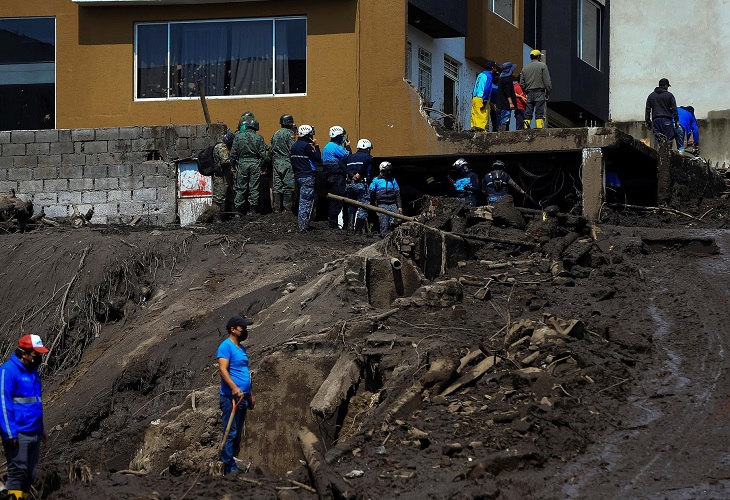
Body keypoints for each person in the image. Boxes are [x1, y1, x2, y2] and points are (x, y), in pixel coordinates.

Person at [0, 334, 49, 499]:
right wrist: (9, 432)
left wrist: (40, 429)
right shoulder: (8, 370)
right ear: (24, 353)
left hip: (34, 431)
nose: (39, 358)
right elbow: (3, 403)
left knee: (30, 474)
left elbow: (36, 403)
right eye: (36, 355)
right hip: (18, 432)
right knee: (18, 472)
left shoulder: (33, 373)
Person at [217, 315, 255, 476]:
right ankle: (228, 469)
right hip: (230, 398)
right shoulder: (225, 346)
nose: (245, 331)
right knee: (230, 432)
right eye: (243, 328)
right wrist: (233, 387)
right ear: (233, 329)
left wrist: (250, 394)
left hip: (243, 398)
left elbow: (244, 373)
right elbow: (222, 370)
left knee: (237, 434)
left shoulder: (241, 348)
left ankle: (231, 462)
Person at [231, 118, 270, 215]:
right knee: (254, 188)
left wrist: (233, 165)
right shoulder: (259, 138)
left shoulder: (238, 137)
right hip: (254, 164)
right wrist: (262, 166)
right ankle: (252, 210)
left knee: (240, 187)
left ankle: (238, 211)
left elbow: (233, 154)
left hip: (242, 164)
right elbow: (264, 156)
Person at [291, 124, 322, 232]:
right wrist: (316, 146)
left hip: (298, 176)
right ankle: (303, 227)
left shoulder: (294, 146)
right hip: (307, 176)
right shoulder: (306, 146)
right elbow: (318, 158)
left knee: (314, 198)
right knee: (305, 202)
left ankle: (306, 223)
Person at [322, 126, 351, 229]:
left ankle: (334, 223)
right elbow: (348, 157)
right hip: (337, 177)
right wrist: (347, 146)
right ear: (338, 136)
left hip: (330, 177)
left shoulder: (326, 147)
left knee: (335, 201)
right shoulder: (335, 147)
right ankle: (333, 225)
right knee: (337, 201)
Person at [345, 139, 374, 234]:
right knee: (363, 206)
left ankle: (350, 227)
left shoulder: (350, 157)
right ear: (367, 148)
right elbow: (368, 161)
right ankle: (358, 230)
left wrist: (348, 172)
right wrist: (359, 173)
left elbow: (341, 162)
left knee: (351, 205)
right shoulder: (368, 157)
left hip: (349, 184)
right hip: (361, 183)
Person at [270, 114, 297, 214]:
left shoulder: (276, 134)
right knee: (288, 186)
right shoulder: (289, 134)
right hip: (286, 161)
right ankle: (287, 209)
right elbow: (292, 148)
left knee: (277, 186)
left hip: (276, 162)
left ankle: (277, 208)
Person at [519, 50, 552, 129]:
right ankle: (539, 128)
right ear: (538, 57)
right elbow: (547, 81)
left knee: (528, 112)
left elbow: (521, 83)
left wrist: (526, 91)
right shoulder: (543, 66)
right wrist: (548, 91)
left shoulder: (524, 68)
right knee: (539, 112)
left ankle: (526, 127)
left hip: (529, 93)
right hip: (540, 92)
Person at [645, 78, 679, 149]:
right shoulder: (670, 96)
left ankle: (657, 156)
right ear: (666, 86)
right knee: (668, 140)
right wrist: (676, 120)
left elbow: (648, 110)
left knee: (657, 139)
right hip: (667, 120)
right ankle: (668, 156)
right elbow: (674, 109)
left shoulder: (651, 96)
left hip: (656, 121)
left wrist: (648, 121)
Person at [369, 161, 402, 235]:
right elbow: (371, 193)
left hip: (392, 204)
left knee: (394, 224)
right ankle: (384, 240)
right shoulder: (376, 180)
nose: (389, 172)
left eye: (390, 171)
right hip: (381, 205)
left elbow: (397, 194)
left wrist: (399, 207)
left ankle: (393, 239)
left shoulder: (393, 180)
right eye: (387, 171)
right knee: (384, 224)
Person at [211, 128, 236, 221]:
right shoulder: (222, 147)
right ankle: (216, 217)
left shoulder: (221, 146)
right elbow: (225, 161)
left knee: (228, 195)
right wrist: (233, 160)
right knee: (218, 197)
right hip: (220, 176)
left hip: (225, 175)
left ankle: (227, 216)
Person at [470, 60, 497, 131]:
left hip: (475, 98)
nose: (495, 68)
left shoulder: (480, 74)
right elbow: (487, 89)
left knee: (475, 120)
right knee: (482, 121)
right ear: (492, 68)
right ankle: (481, 138)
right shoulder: (489, 75)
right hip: (481, 99)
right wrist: (485, 101)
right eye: (495, 67)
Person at [495, 62, 517, 131]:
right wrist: (511, 103)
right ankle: (503, 135)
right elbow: (507, 92)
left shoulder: (501, 78)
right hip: (505, 104)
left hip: (500, 104)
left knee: (500, 121)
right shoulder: (507, 79)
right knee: (505, 121)